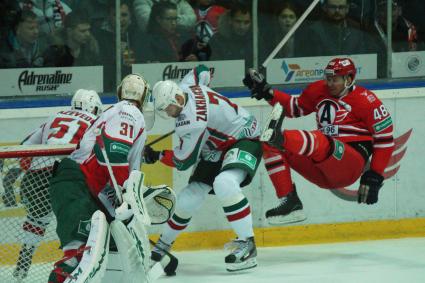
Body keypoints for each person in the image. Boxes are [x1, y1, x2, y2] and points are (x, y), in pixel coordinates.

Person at [243, 58, 395, 225]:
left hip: (350, 163)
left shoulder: (367, 100)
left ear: (349, 79)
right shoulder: (318, 90)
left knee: (319, 140)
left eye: (335, 79)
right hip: (323, 168)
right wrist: (267, 92)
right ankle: (290, 201)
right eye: (328, 79)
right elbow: (294, 108)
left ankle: (279, 137)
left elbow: (385, 139)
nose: (330, 83)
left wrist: (375, 174)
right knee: (269, 144)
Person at [143, 70, 262, 272]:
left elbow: (183, 161)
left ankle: (248, 245)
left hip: (244, 138)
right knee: (189, 197)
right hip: (217, 146)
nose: (168, 114)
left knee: (224, 183)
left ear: (178, 98)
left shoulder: (191, 123)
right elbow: (203, 70)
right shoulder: (187, 84)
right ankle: (163, 244)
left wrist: (157, 155)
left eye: (168, 108)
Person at [47, 74, 151, 283]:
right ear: (144, 96)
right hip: (78, 184)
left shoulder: (117, 111)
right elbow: (113, 154)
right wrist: (123, 194)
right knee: (77, 259)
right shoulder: (128, 111)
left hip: (92, 191)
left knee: (108, 253)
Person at [11, 89, 102, 280]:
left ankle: (23, 261)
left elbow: (25, 148)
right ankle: (74, 263)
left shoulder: (55, 116)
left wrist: (31, 168)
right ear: (94, 107)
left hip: (37, 175)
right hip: (69, 176)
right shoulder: (96, 122)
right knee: (85, 221)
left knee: (38, 220)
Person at [297, 0, 377, 57]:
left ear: (347, 9)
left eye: (341, 7)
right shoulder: (314, 31)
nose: (337, 11)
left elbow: (363, 56)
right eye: (333, 7)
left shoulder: (356, 29)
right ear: (325, 8)